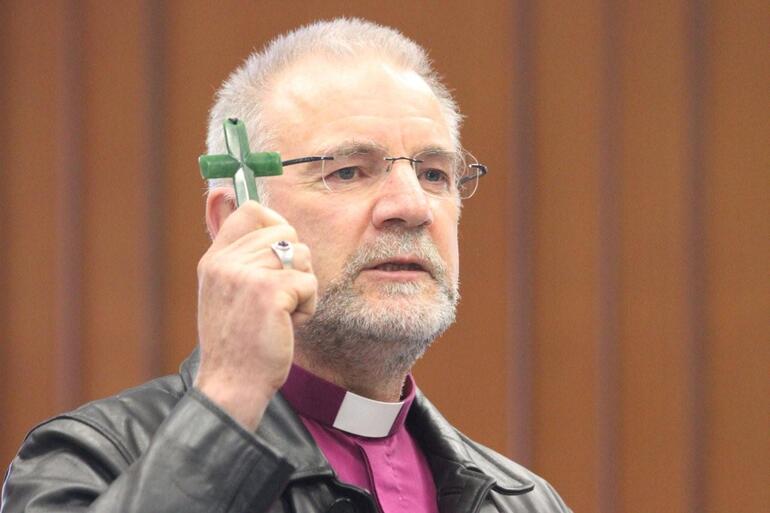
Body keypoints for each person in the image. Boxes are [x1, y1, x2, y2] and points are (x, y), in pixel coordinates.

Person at [1, 18, 571, 513]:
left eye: (434, 173)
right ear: (237, 221)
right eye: (348, 170)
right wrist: (229, 395)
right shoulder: (94, 459)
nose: (412, 207)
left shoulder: (522, 500)